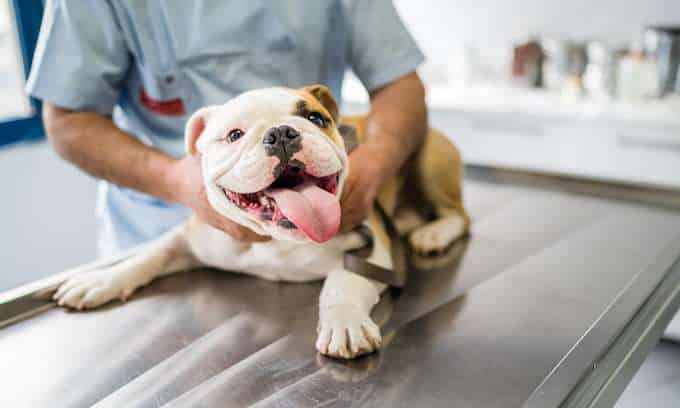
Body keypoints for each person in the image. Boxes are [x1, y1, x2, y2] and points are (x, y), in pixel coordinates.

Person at [27, 0, 427, 256]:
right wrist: (175, 180)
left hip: (320, 227)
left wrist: (376, 161)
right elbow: (67, 119)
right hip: (162, 236)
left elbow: (398, 82)